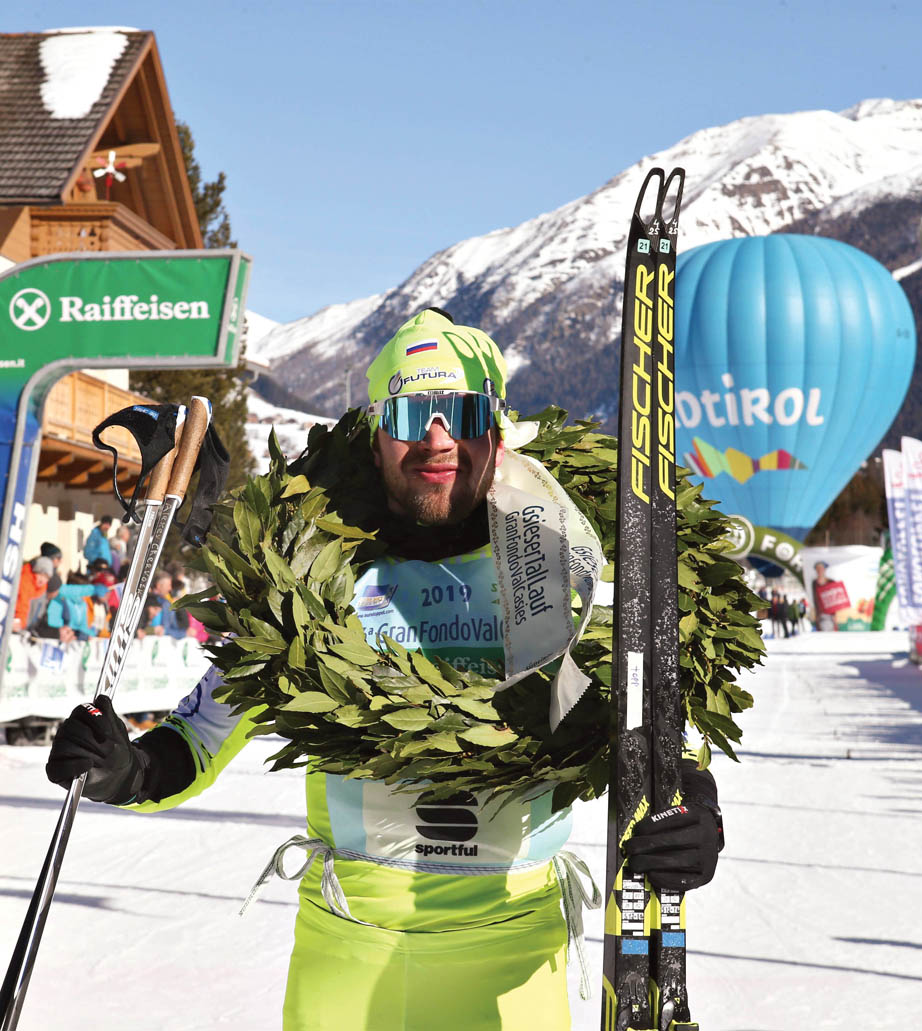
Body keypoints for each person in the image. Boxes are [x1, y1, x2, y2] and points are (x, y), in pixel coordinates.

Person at [45, 308, 725, 1030]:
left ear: (494, 430)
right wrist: (127, 768)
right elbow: (201, 735)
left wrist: (692, 805)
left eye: (460, 413)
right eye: (410, 414)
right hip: (348, 958)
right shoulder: (312, 572)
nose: (437, 439)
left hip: (513, 959)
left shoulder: (568, 563)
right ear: (376, 439)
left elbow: (655, 714)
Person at [13, 555, 53, 632]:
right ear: (35, 571)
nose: (43, 580)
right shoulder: (25, 579)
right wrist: (19, 621)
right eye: (41, 575)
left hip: (25, 626)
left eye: (46, 577)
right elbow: (22, 602)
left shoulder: (42, 588)